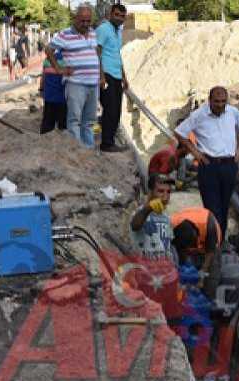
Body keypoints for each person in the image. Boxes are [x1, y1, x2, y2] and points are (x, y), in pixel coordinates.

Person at [174, 87, 239, 243]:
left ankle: (220, 242)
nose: (220, 105)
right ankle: (214, 245)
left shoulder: (233, 112)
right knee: (213, 210)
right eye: (216, 101)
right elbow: (180, 133)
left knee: (224, 207)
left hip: (229, 166)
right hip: (209, 166)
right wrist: (196, 154)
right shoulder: (199, 115)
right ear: (210, 100)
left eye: (223, 101)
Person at [48, 6, 102, 147]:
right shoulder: (65, 34)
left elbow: (97, 55)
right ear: (75, 19)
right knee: (74, 121)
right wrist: (59, 69)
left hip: (93, 84)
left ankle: (88, 150)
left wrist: (101, 75)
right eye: (82, 20)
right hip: (76, 83)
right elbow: (48, 49)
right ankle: (77, 151)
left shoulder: (93, 33)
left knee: (89, 121)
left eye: (88, 21)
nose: (85, 24)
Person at [95, 3, 129, 152]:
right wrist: (101, 76)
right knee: (110, 110)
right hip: (106, 75)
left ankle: (110, 140)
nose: (120, 18)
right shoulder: (103, 29)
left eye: (122, 16)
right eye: (117, 15)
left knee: (116, 110)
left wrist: (124, 77)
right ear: (110, 14)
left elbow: (117, 55)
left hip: (116, 76)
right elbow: (97, 52)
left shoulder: (118, 31)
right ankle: (106, 144)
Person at [130, 174, 176, 261]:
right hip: (144, 269)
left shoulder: (166, 217)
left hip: (162, 270)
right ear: (150, 192)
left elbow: (169, 244)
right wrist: (148, 209)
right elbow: (135, 225)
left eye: (168, 192)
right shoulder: (140, 212)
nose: (165, 196)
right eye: (161, 191)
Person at [170, 206, 221, 277]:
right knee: (180, 266)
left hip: (211, 243)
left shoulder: (210, 226)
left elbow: (210, 252)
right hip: (183, 237)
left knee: (212, 270)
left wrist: (203, 272)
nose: (191, 249)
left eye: (191, 246)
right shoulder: (173, 225)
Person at [39, 49, 67, 134]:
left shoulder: (47, 60)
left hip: (49, 97)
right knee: (63, 124)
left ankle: (45, 132)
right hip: (61, 98)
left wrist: (41, 89)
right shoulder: (67, 61)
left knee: (47, 121)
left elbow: (43, 78)